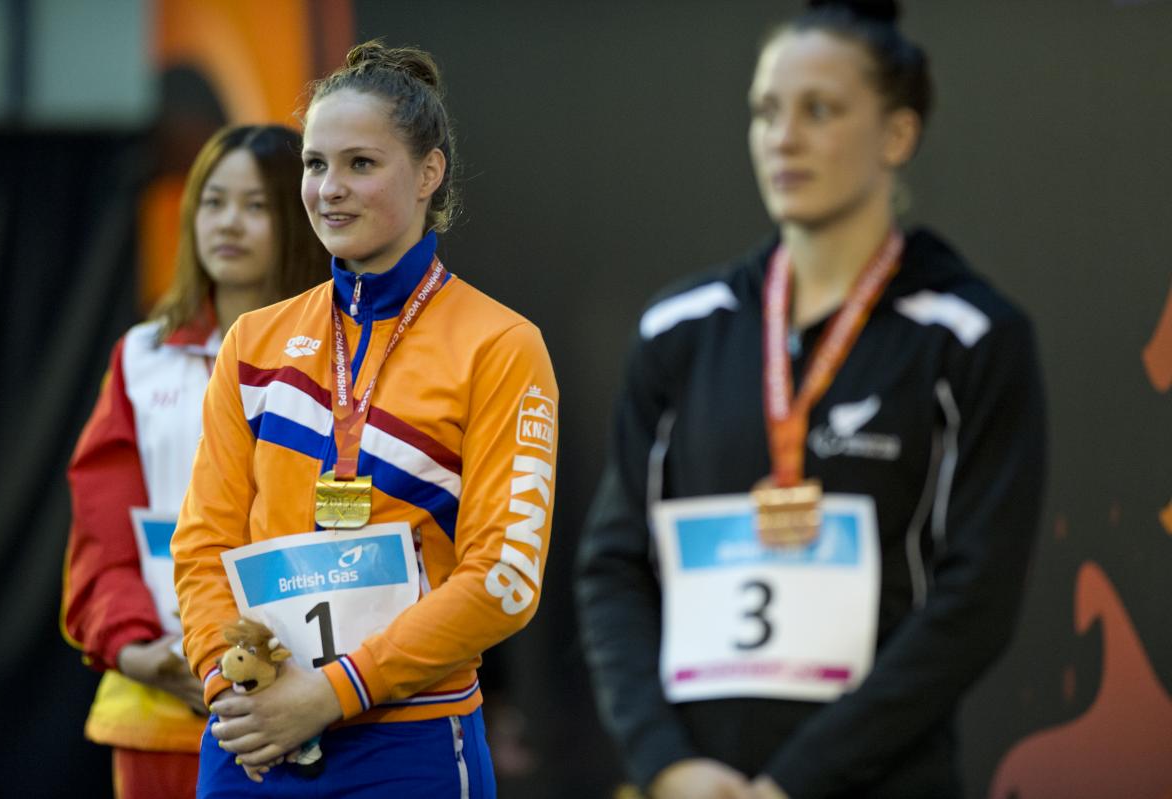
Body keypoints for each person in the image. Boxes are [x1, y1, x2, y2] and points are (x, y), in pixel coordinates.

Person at [576, 2, 1046, 798]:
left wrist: (795, 780)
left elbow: (975, 604)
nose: (781, 138)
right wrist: (665, 762)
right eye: (765, 111)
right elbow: (614, 566)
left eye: (818, 111)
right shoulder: (679, 329)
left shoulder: (968, 336)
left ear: (896, 135)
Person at [171, 40, 558, 798]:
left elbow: (503, 578)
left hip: (407, 739)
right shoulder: (254, 342)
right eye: (316, 165)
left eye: (360, 164)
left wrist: (332, 691)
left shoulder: (502, 344)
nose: (329, 190)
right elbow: (204, 544)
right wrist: (227, 681)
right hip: (254, 735)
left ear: (428, 173)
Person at [61, 124, 331, 799]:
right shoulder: (142, 354)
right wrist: (133, 649)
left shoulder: (347, 357)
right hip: (160, 700)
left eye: (257, 205)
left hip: (307, 705)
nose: (228, 223)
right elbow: (103, 534)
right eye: (212, 201)